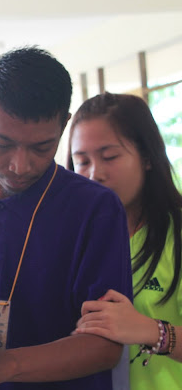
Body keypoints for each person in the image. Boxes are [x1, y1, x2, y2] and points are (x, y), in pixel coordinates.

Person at [0, 47, 134, 389]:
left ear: (64, 124)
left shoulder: (94, 208)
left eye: (41, 147)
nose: (20, 165)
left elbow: (105, 346)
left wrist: (4, 364)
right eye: (2, 144)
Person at [68, 92, 182, 389]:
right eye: (82, 162)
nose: (94, 174)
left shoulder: (176, 233)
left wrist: (151, 331)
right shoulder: (68, 239)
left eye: (110, 157)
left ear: (147, 157)